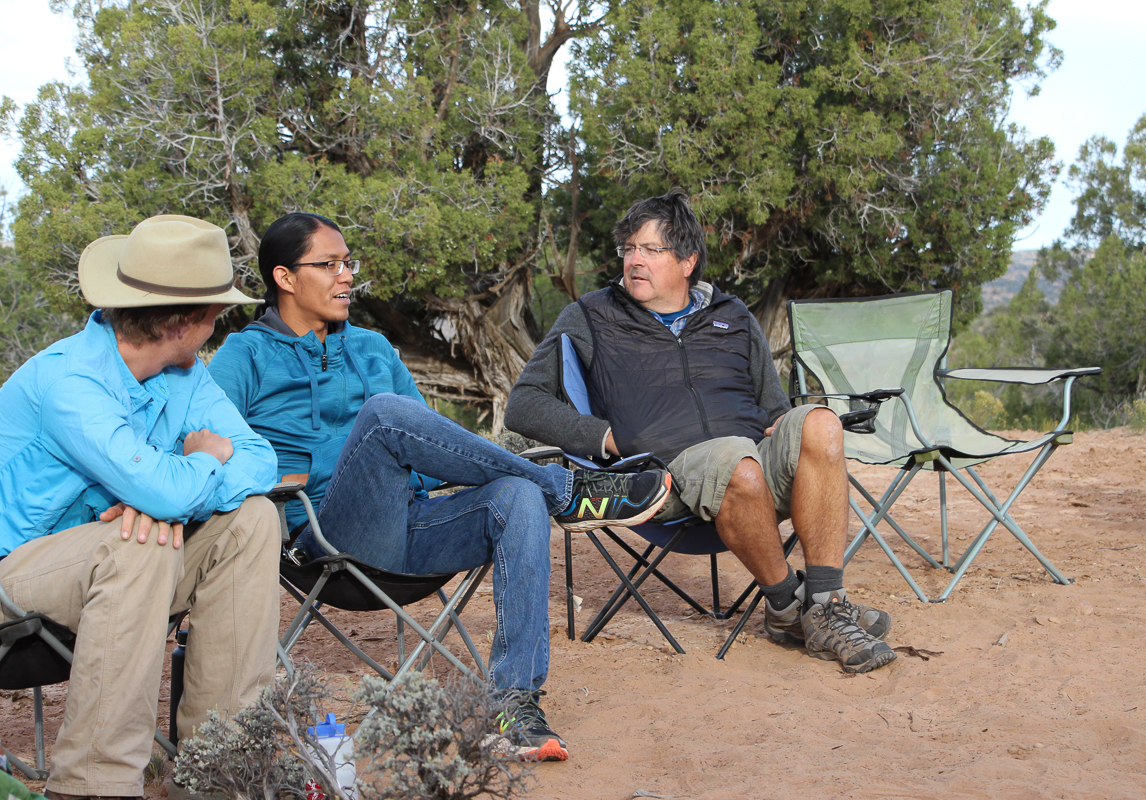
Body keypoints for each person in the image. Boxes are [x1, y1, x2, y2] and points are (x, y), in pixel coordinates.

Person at [206, 212, 671, 763]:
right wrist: (281, 481)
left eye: (348, 263)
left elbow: (428, 451)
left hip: (407, 531)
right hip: (319, 541)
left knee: (515, 496)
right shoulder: (246, 355)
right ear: (284, 278)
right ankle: (565, 488)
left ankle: (513, 704)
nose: (346, 276)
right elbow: (211, 451)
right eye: (328, 265)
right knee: (384, 415)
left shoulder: (374, 348)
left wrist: (406, 469)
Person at [505, 190, 898, 674]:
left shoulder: (732, 315)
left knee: (820, 422)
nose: (634, 261)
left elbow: (773, 406)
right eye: (628, 249)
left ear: (687, 260)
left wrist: (786, 426)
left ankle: (825, 603)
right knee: (738, 459)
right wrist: (604, 438)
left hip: (750, 464)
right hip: (664, 478)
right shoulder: (591, 316)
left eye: (650, 250)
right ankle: (784, 605)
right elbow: (522, 405)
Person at [0, 215, 282, 800]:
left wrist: (165, 496)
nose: (217, 325)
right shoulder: (71, 382)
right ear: (186, 322)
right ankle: (93, 788)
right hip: (12, 577)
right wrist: (195, 471)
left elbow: (261, 461)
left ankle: (217, 773)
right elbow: (170, 490)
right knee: (140, 537)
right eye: (215, 313)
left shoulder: (185, 378)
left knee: (253, 519)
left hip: (115, 571)